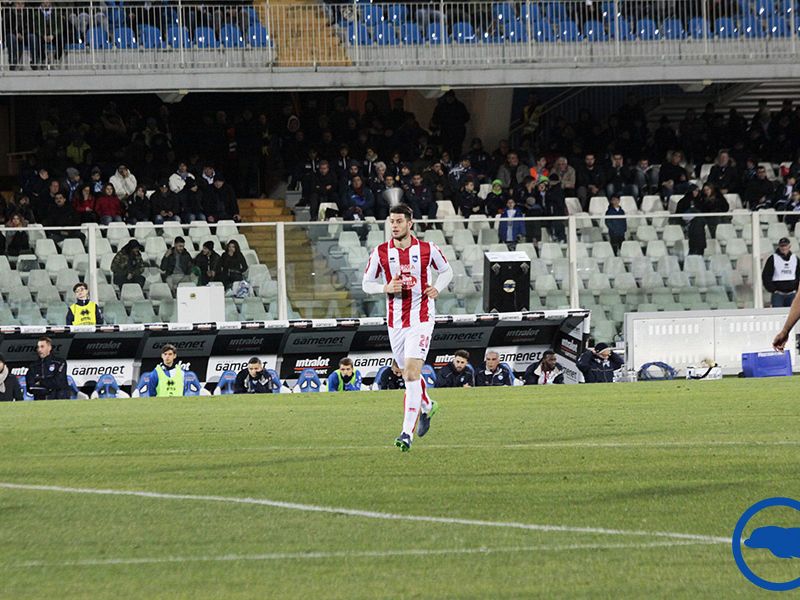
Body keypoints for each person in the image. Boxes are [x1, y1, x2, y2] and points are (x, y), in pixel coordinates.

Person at [361, 204, 453, 451]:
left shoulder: (427, 249)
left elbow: (447, 271)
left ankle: (405, 434)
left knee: (411, 374)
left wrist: (437, 288)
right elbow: (366, 283)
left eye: (399, 221)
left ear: (410, 223)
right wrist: (385, 288)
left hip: (421, 319)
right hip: (395, 323)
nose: (394, 225)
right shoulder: (381, 252)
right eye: (392, 221)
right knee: (407, 374)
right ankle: (427, 406)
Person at [762, 237, 800, 308]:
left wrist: (797, 288)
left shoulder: (795, 258)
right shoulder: (773, 258)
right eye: (782, 246)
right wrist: (772, 289)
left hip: (792, 294)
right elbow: (766, 275)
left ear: (789, 246)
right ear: (779, 246)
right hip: (778, 294)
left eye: (785, 245)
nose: (784, 248)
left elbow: (798, 274)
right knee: (777, 314)